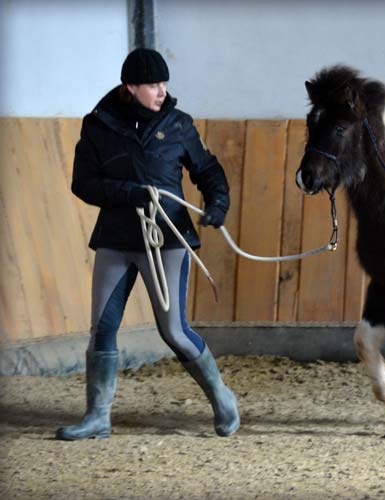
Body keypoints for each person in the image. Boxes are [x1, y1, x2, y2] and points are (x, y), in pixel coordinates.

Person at [56, 48, 239, 440]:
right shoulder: (98, 125)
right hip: (117, 240)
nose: (162, 91)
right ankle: (97, 417)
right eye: (153, 84)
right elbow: (82, 183)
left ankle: (221, 396)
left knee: (172, 330)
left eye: (163, 83)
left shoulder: (178, 125)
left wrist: (218, 204)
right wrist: (127, 193)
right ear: (130, 87)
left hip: (168, 240)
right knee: (102, 329)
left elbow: (206, 170)